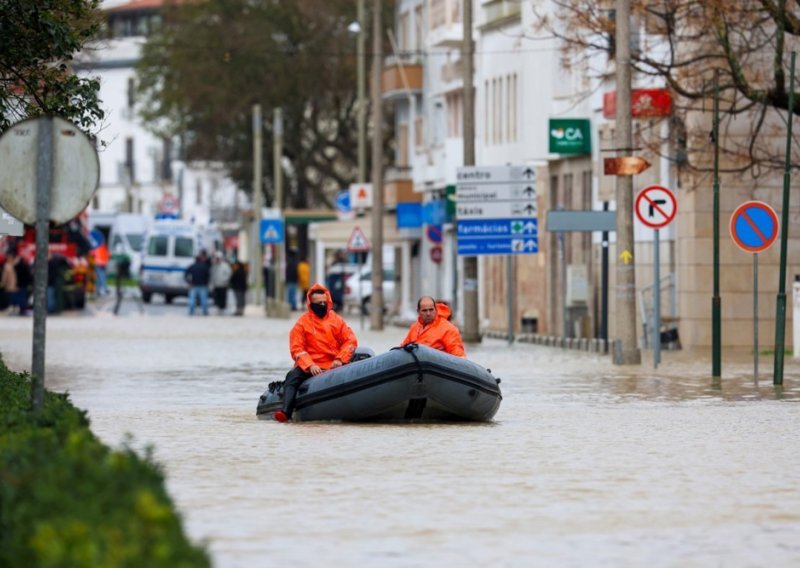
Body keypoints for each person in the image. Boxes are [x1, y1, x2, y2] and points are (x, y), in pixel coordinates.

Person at [274, 283, 358, 422]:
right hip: (311, 365)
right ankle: (286, 412)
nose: (323, 305)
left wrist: (340, 359)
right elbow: (297, 349)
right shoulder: (302, 323)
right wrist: (310, 365)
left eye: (325, 302)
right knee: (292, 378)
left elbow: (351, 340)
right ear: (311, 303)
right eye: (319, 303)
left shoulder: (336, 320)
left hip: (334, 363)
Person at [400, 296, 466, 357]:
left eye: (431, 310)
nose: (428, 314)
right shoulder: (414, 327)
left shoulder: (448, 329)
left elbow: (459, 356)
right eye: (424, 310)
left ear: (435, 309)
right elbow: (403, 348)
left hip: (437, 367)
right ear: (418, 311)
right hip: (416, 365)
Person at [184, 250, 211, 316]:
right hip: (203, 285)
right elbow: (209, 276)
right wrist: (207, 283)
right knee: (204, 300)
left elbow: (186, 274)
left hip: (193, 285)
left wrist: (189, 282)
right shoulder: (205, 267)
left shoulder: (192, 266)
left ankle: (191, 311)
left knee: (192, 300)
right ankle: (205, 311)